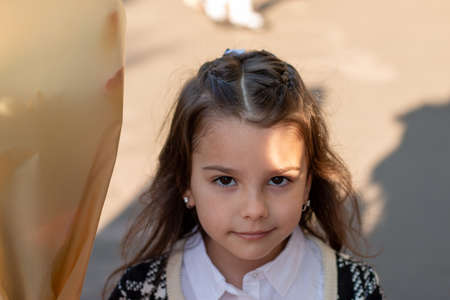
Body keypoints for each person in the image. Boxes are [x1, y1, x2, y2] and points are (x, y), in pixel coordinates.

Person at [105, 49, 384, 300]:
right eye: (225, 180)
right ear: (185, 183)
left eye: (278, 180)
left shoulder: (355, 289)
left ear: (308, 183)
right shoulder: (139, 292)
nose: (254, 210)